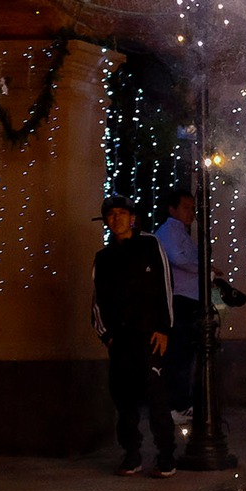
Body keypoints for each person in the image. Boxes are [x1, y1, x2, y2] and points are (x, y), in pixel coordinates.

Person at [91, 195, 177, 476]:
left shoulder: (150, 244)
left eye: (121, 213)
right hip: (121, 339)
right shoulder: (103, 258)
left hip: (150, 335)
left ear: (132, 218)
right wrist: (108, 337)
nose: (116, 219)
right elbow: (97, 302)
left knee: (156, 395)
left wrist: (163, 328)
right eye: (111, 215)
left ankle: (166, 454)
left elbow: (166, 287)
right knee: (124, 397)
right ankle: (132, 453)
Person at [152, 189, 201, 423]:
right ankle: (177, 405)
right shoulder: (170, 230)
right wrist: (203, 269)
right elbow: (179, 259)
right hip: (180, 299)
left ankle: (182, 402)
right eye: (186, 207)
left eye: (192, 208)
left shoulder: (181, 231)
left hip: (190, 299)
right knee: (180, 354)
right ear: (172, 210)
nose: (191, 212)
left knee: (187, 354)